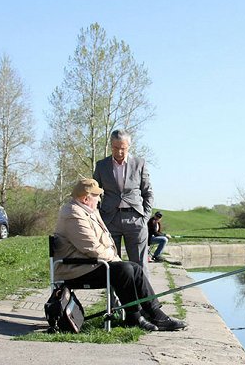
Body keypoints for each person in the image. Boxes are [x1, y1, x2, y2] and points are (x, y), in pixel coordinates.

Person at [53, 178, 186, 332]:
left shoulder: (88, 211)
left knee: (134, 268)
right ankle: (134, 317)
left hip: (90, 264)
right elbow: (92, 248)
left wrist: (115, 259)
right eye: (96, 196)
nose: (99, 199)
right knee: (124, 270)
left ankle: (155, 313)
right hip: (76, 269)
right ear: (85, 198)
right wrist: (115, 259)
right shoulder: (73, 214)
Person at [93, 130, 153, 269]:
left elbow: (148, 193)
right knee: (111, 263)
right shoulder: (101, 166)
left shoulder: (140, 164)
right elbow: (93, 193)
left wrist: (145, 218)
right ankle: (113, 291)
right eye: (116, 148)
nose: (119, 152)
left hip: (135, 218)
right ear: (111, 146)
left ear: (129, 147)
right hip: (109, 219)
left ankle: (141, 291)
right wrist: (98, 218)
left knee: (139, 265)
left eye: (123, 148)